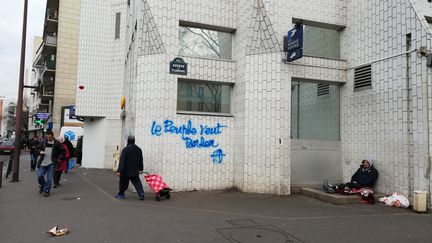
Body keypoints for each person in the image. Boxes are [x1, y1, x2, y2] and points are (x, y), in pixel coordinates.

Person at [36, 131, 65, 197]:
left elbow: (63, 151)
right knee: (40, 176)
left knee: (49, 178)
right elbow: (37, 148)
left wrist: (59, 158)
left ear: (52, 136)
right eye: (47, 137)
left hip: (52, 163)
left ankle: (46, 191)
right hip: (43, 162)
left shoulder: (57, 143)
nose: (48, 138)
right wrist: (40, 151)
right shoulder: (43, 142)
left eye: (50, 137)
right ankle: (43, 186)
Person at [115, 135, 145, 200]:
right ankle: (141, 194)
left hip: (126, 171)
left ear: (127, 141)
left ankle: (121, 194)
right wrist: (140, 169)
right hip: (135, 170)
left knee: (123, 183)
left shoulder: (125, 149)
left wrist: (119, 171)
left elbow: (122, 161)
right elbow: (141, 160)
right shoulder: (139, 149)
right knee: (137, 182)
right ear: (134, 141)